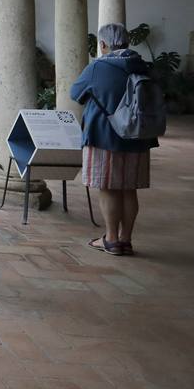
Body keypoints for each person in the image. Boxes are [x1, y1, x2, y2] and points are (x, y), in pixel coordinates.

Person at [70, 22, 157, 257]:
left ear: (103, 44)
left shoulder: (98, 67)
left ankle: (110, 239)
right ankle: (126, 239)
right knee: (129, 189)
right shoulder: (142, 66)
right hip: (138, 136)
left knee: (108, 187)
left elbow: (75, 94)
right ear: (127, 42)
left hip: (104, 136)